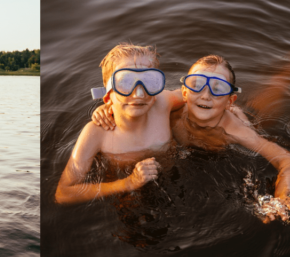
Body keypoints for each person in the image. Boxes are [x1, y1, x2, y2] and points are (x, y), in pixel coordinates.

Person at [93, 55, 290, 221]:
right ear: (185, 92)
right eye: (197, 84)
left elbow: (285, 159)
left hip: (228, 137)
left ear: (230, 100)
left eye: (218, 88)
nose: (206, 95)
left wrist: (280, 199)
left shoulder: (235, 131)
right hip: (185, 153)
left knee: (269, 103)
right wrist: (108, 108)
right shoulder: (170, 111)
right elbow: (133, 99)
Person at [55, 43, 184, 204]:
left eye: (149, 81)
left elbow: (193, 94)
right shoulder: (97, 133)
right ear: (108, 95)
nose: (139, 93)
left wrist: (226, 102)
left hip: (174, 184)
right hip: (125, 194)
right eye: (125, 82)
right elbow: (63, 193)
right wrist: (127, 183)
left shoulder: (163, 102)